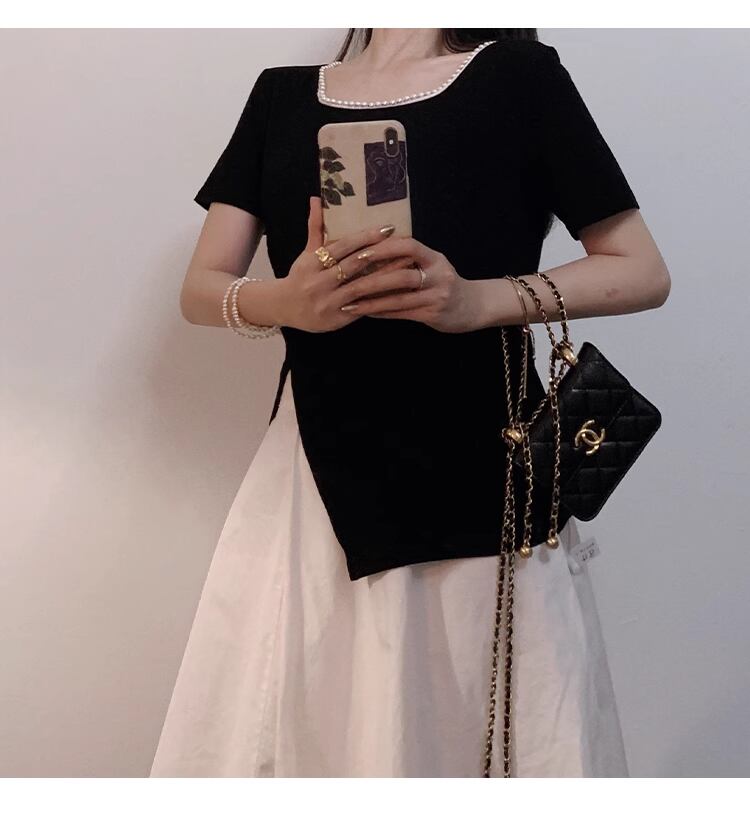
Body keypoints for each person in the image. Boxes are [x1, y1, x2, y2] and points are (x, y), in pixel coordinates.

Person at [150, 28, 671, 778]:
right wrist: (289, 302)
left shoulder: (519, 77)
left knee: (468, 720)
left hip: (480, 477)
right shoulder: (280, 97)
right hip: (315, 481)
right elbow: (202, 288)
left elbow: (641, 269)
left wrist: (476, 301)